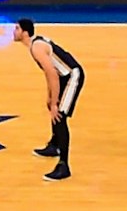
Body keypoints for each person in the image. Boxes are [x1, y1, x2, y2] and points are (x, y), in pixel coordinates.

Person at [20, 17, 85, 181]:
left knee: (59, 116)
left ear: (24, 32)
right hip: (63, 76)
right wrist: (50, 97)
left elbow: (52, 74)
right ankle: (54, 144)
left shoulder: (36, 48)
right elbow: (51, 73)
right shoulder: (36, 44)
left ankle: (64, 166)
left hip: (72, 76)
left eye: (16, 28)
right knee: (53, 107)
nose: (14, 31)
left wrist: (55, 103)